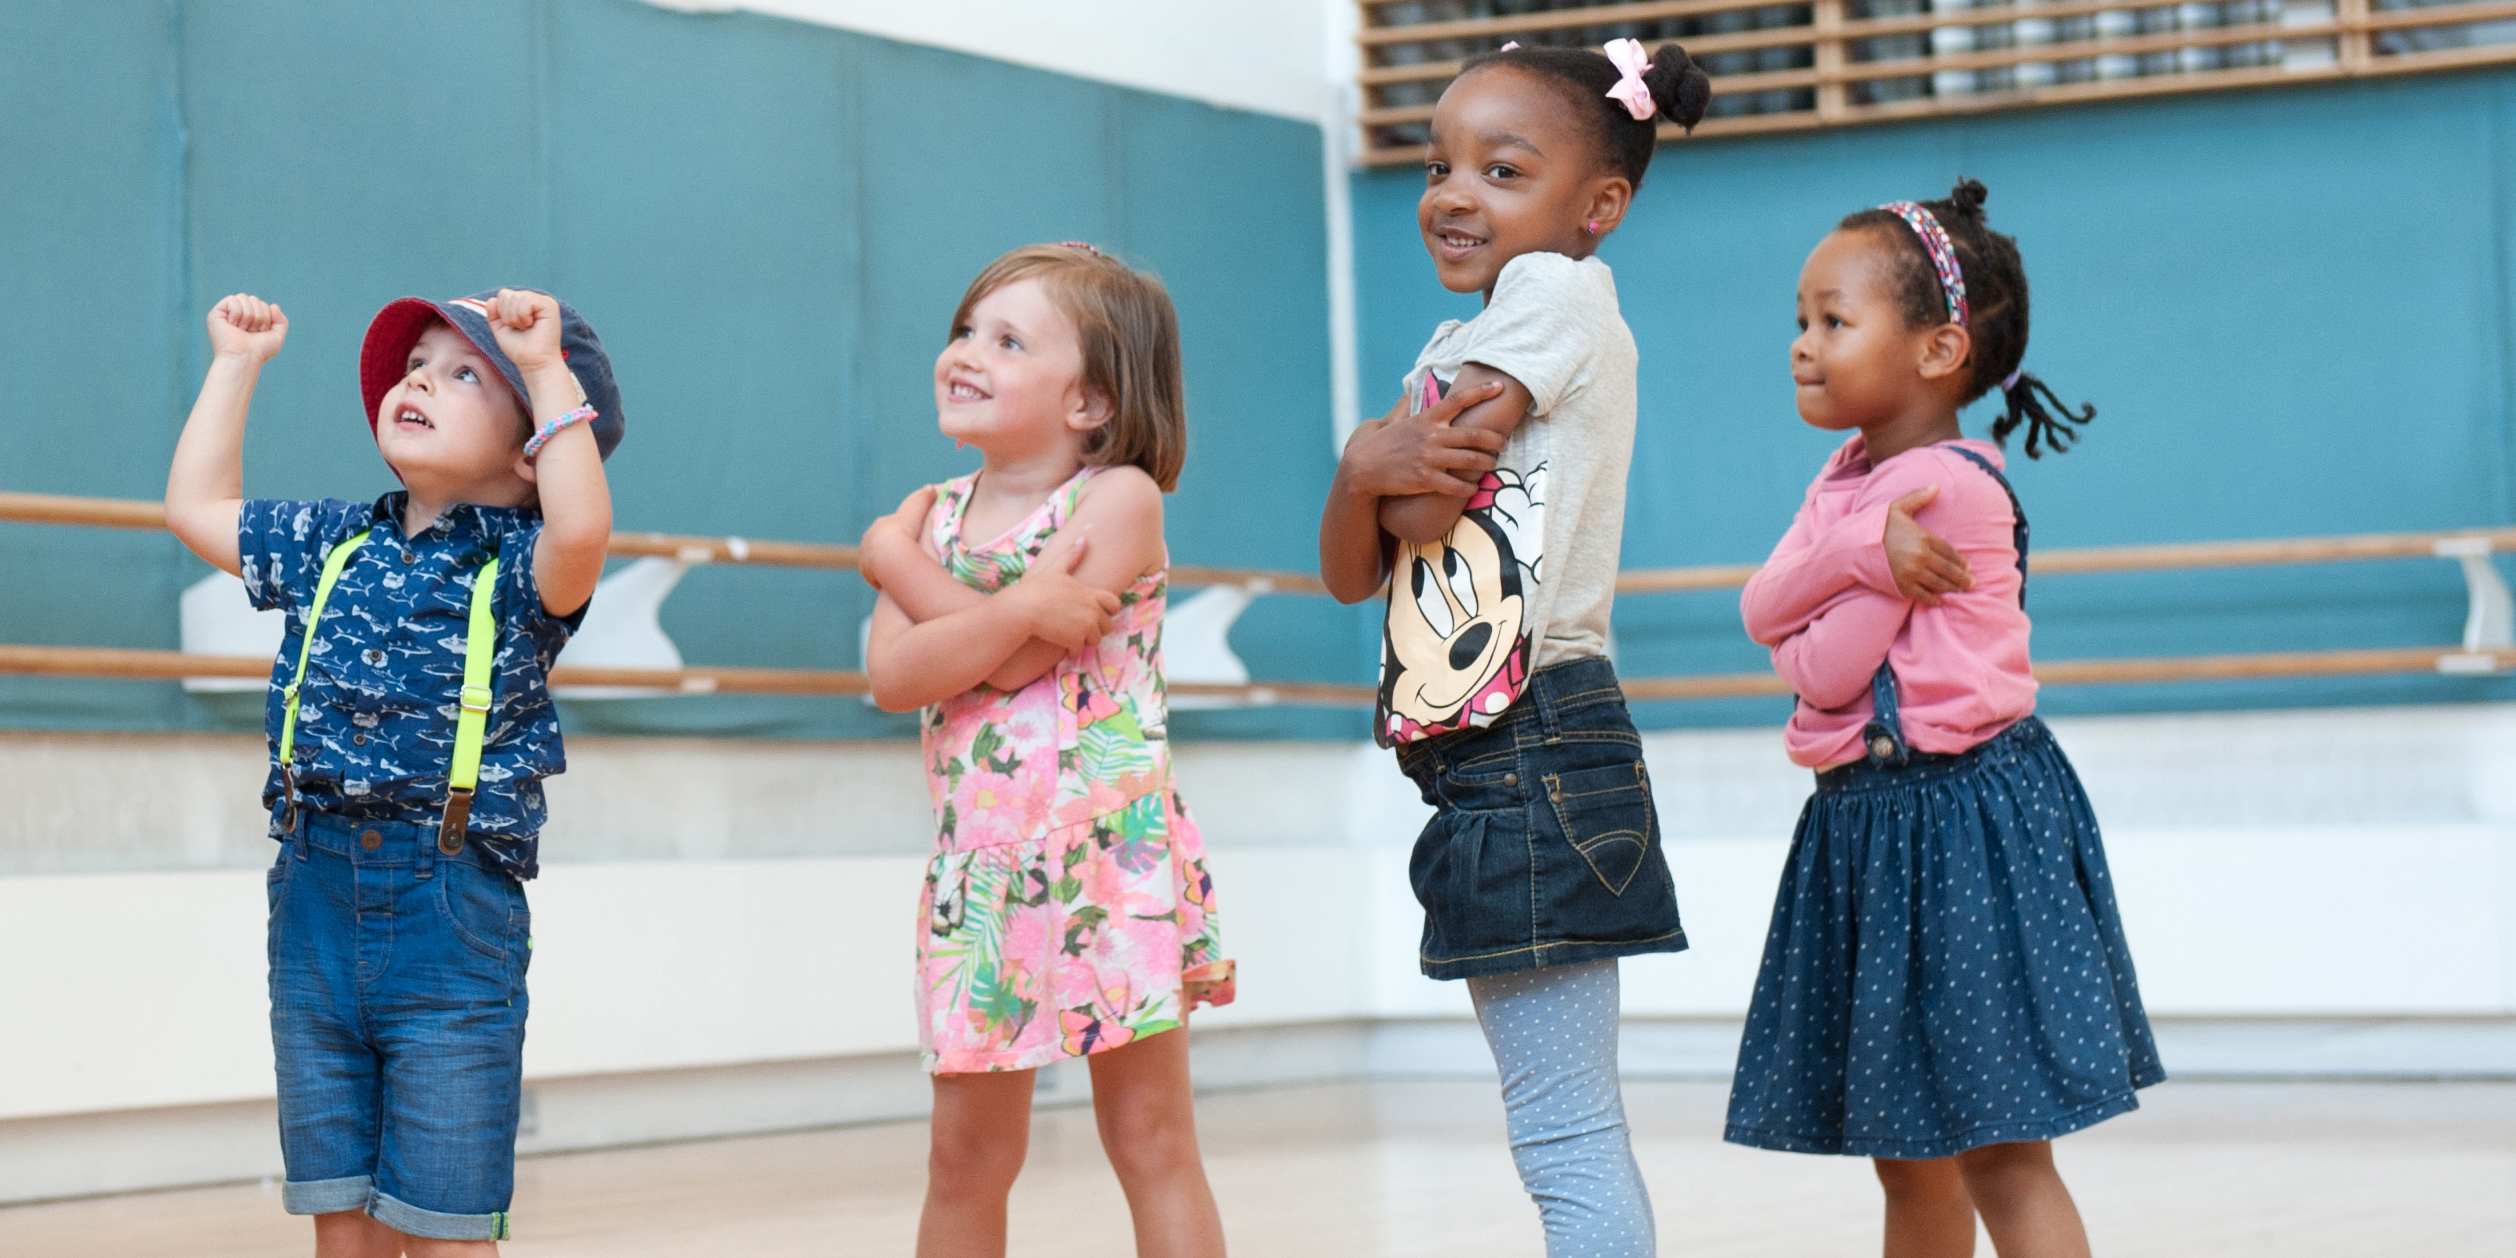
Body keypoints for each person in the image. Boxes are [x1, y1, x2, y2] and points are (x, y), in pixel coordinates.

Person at [1315, 39, 1709, 1258]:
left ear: (1596, 207)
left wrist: (1374, 463)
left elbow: (1420, 508)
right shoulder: (1456, 343)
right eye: (1440, 164)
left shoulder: (1555, 295)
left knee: (1562, 1133)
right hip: (1491, 756)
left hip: (1536, 736)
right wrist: (1357, 470)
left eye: (1500, 168)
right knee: (1560, 1128)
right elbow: (1349, 570)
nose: (1452, 192)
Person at [1723, 179, 2162, 1258]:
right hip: (1870, 826)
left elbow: (1819, 665)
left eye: (1833, 320)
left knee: (2000, 1149)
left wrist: (1820, 584)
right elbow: (1756, 610)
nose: (1802, 344)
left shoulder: (1942, 492)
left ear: (1935, 350)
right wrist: (1846, 560)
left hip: (1959, 827)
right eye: (1799, 319)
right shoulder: (1847, 483)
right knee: (1903, 1152)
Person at [164, 287, 623, 1254]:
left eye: (464, 373)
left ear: (530, 447)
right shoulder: (333, 540)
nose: (420, 377)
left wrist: (544, 370)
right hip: (312, 898)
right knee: (341, 1207)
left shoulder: (529, 563)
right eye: (418, 362)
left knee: (446, 1224)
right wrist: (235, 365)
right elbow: (196, 507)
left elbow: (583, 529)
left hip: (450, 913)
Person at [857, 243, 1235, 1258]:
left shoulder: (1117, 500)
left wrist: (894, 563)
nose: (966, 352)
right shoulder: (930, 514)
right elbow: (895, 677)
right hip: (979, 873)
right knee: (963, 1160)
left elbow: (1016, 660)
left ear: (1091, 402)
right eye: (965, 329)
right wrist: (1001, 597)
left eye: (1009, 339)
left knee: (1149, 1138)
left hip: (1107, 857)